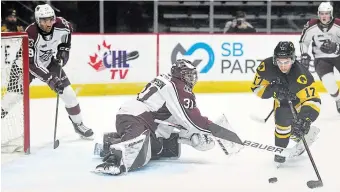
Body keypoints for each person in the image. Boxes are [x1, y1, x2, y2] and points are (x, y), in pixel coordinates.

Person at [93, 59, 244, 176]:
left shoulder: (168, 82)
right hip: (136, 117)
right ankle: (114, 159)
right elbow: (193, 120)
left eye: (192, 75)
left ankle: (109, 144)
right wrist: (221, 132)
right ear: (179, 75)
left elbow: (176, 120)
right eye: (187, 75)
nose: (191, 79)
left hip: (140, 119)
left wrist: (191, 139)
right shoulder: (176, 86)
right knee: (137, 153)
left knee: (159, 150)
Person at [1, 4, 93, 139]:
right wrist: (51, 79)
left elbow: (67, 35)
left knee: (69, 94)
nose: (48, 23)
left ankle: (78, 125)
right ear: (38, 21)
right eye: (44, 20)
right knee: (11, 98)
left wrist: (64, 50)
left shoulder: (62, 25)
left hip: (48, 62)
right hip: (24, 65)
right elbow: (31, 64)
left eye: (50, 19)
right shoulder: (30, 32)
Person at [250, 41, 321, 164]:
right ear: (274, 59)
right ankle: (280, 149)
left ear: (293, 60)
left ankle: (302, 133)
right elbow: (256, 88)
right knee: (282, 121)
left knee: (298, 127)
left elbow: (313, 100)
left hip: (299, 102)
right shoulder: (266, 67)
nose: (283, 66)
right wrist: (274, 90)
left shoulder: (302, 75)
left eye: (286, 62)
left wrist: (305, 120)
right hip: (281, 101)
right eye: (279, 62)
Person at [300, 2, 340, 113]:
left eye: (326, 13)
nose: (324, 16)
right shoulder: (311, 25)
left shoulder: (338, 24)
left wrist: (337, 47)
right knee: (329, 82)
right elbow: (304, 41)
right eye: (322, 13)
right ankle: (338, 100)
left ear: (331, 14)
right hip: (321, 59)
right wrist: (304, 54)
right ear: (318, 14)